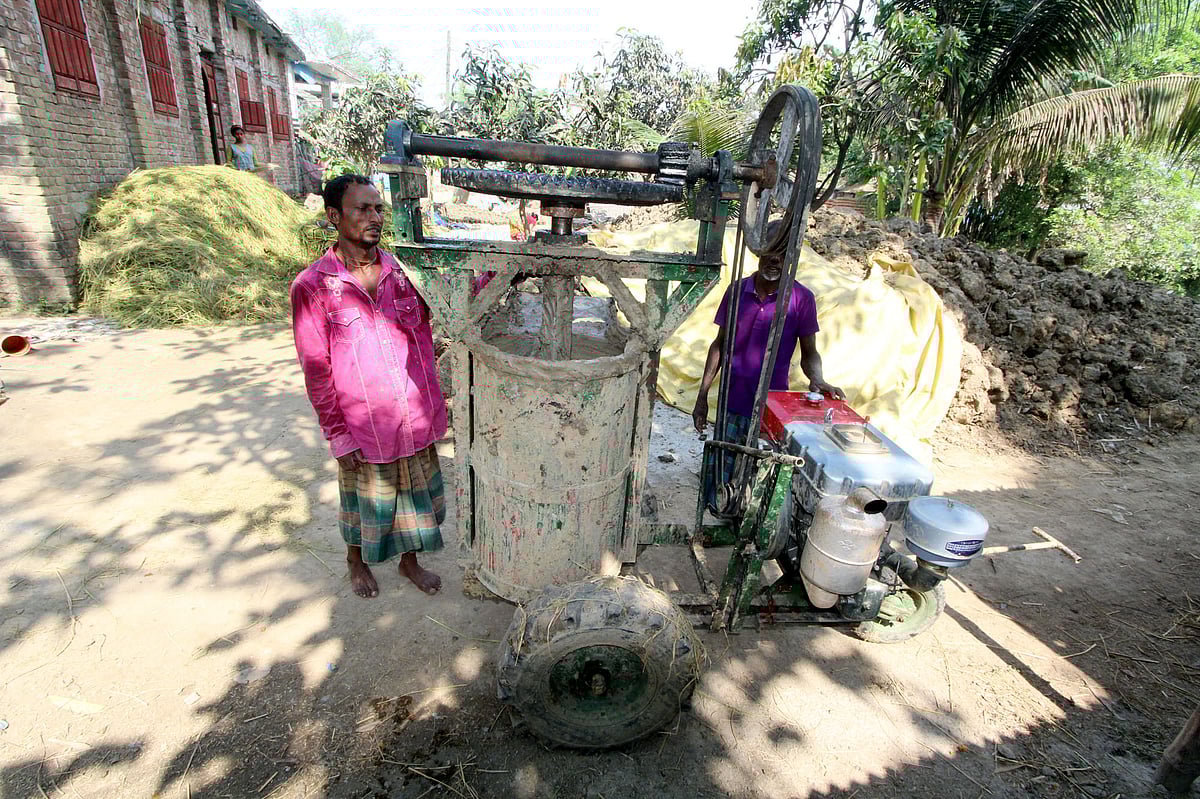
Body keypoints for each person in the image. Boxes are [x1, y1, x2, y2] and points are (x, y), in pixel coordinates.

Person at [290, 174, 446, 599]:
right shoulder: (313, 286)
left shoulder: (405, 272)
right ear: (334, 217)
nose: (374, 217)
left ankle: (409, 561)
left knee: (415, 496)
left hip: (413, 412)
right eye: (362, 209)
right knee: (363, 504)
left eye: (379, 208)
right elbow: (316, 368)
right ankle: (355, 562)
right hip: (364, 424)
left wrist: (505, 273)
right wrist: (338, 434)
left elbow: (454, 300)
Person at [692, 219, 844, 511]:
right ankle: (717, 513)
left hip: (770, 406)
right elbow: (719, 345)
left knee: (759, 472)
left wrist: (819, 379)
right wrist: (702, 397)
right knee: (723, 464)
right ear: (759, 252)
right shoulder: (737, 291)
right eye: (769, 252)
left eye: (782, 254)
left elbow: (809, 352)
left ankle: (745, 520)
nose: (774, 260)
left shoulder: (801, 299)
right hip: (731, 400)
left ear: (791, 257)